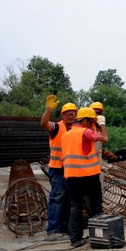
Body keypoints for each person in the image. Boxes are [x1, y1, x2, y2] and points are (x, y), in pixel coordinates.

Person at [62, 106, 108, 247]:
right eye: (92, 122)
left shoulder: (66, 134)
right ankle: (99, 236)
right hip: (89, 175)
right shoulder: (86, 132)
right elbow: (104, 138)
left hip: (71, 176)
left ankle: (75, 239)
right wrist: (102, 124)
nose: (92, 124)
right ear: (86, 121)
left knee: (75, 206)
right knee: (95, 206)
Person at [40, 94, 77, 236]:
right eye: (68, 113)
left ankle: (65, 227)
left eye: (73, 113)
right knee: (57, 198)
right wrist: (49, 110)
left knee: (69, 199)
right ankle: (53, 229)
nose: (71, 116)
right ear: (63, 115)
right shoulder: (56, 127)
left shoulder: (76, 129)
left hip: (72, 169)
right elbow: (44, 124)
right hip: (58, 169)